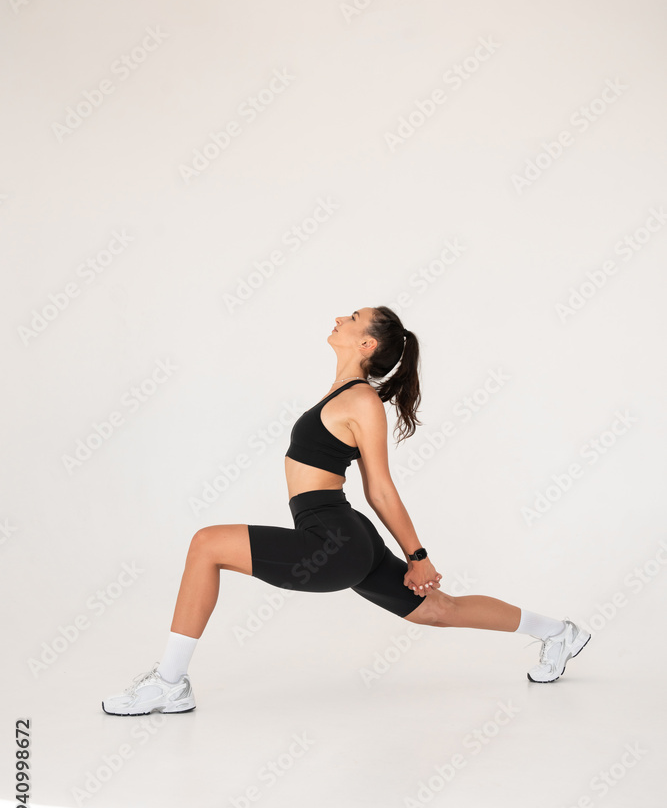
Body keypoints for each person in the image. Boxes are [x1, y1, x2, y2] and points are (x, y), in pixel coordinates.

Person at [102, 306, 590, 714]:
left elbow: (379, 488)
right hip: (341, 531)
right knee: (440, 610)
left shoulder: (362, 402)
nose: (340, 317)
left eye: (353, 318)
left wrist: (418, 555)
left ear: (367, 345)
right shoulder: (342, 395)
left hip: (333, 539)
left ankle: (170, 683)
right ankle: (560, 633)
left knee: (206, 543)